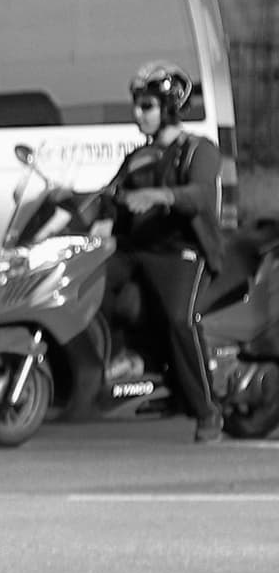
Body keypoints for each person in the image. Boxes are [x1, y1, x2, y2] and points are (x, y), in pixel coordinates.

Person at [100, 60, 226, 441]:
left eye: (148, 106)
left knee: (178, 318)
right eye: (137, 105)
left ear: (170, 108)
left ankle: (207, 412)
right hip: (137, 251)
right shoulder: (138, 157)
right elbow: (110, 200)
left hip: (183, 252)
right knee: (89, 289)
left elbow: (202, 196)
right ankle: (135, 363)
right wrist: (66, 198)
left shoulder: (198, 151)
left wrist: (162, 195)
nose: (139, 114)